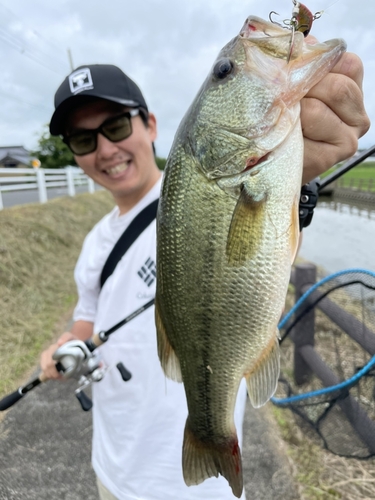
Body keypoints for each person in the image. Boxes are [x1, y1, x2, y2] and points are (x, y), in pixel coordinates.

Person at [40, 53, 369, 500]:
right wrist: (68, 343)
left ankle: (212, 434)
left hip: (188, 491)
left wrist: (296, 173)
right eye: (82, 140)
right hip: (112, 469)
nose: (105, 149)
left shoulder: (211, 185)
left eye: (115, 126)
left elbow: (265, 213)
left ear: (151, 125)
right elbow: (88, 317)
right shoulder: (96, 240)